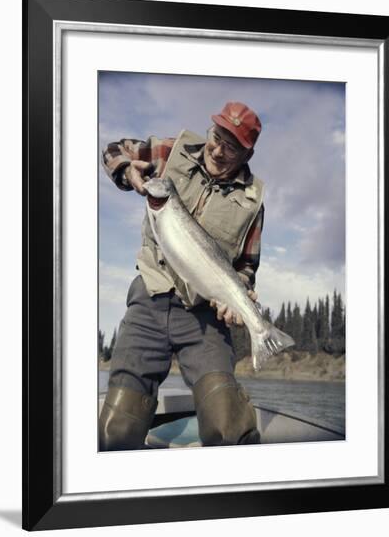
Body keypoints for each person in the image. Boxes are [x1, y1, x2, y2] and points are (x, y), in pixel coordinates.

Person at [99, 101, 265, 450]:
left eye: (231, 146)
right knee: (115, 431)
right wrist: (127, 168)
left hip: (203, 316)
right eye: (216, 137)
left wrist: (238, 297)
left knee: (226, 428)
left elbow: (246, 266)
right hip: (149, 300)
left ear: (246, 153)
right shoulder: (169, 152)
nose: (218, 150)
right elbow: (114, 150)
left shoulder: (252, 204)